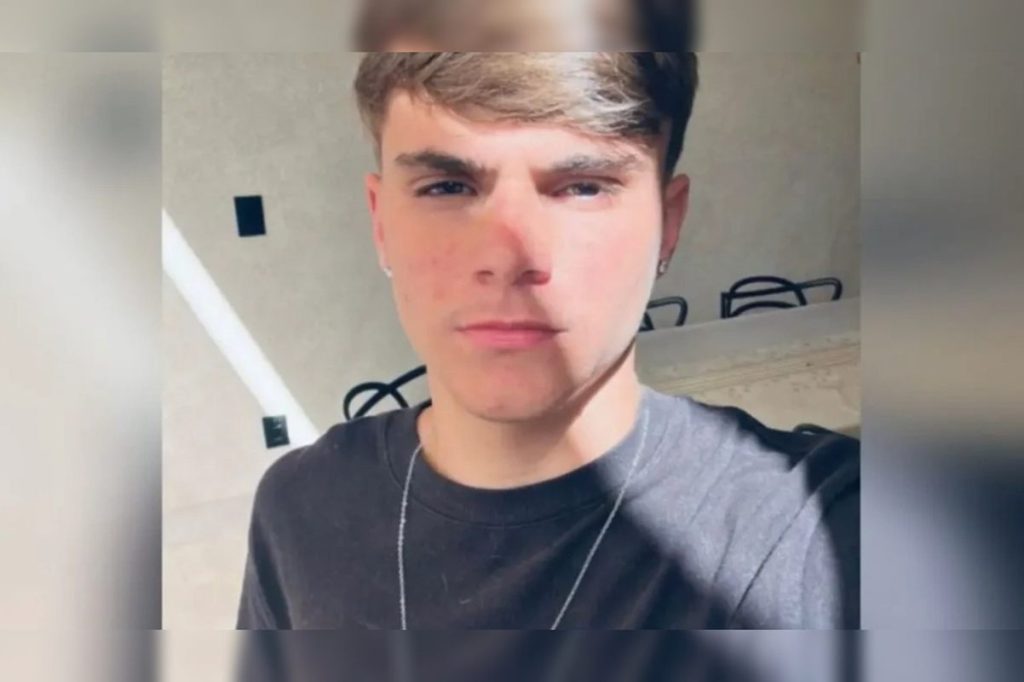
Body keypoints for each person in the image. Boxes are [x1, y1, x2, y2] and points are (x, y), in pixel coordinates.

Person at [235, 51, 859, 632]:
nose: (508, 258)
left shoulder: (822, 532)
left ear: (667, 225)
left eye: (583, 186)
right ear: (380, 223)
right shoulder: (300, 509)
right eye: (447, 187)